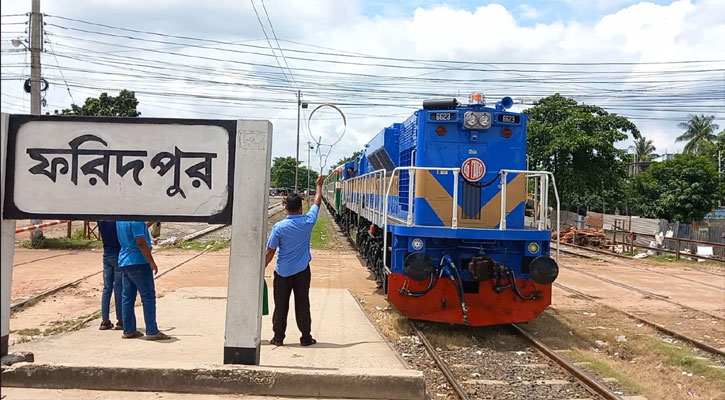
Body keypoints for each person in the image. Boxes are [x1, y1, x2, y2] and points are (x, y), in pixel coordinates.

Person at [265, 174, 325, 346]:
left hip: (282, 272)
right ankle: (305, 338)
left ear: (286, 208)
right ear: (300, 207)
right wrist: (319, 185)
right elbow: (317, 202)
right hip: (302, 272)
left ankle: (278, 338)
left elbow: (270, 251)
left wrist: (261, 268)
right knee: (302, 304)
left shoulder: (279, 227)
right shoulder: (308, 221)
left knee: (281, 306)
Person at [116, 220, 169, 340]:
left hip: (125, 260)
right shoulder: (136, 220)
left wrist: (152, 221)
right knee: (148, 296)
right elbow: (140, 242)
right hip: (139, 261)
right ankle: (152, 330)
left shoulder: (120, 220)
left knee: (128, 297)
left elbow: (140, 228)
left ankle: (129, 329)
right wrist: (151, 261)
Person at [98, 220, 123, 331]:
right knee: (119, 288)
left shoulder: (101, 220)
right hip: (118, 254)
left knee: (107, 288)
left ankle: (105, 320)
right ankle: (120, 319)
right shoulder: (118, 220)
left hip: (106, 254)